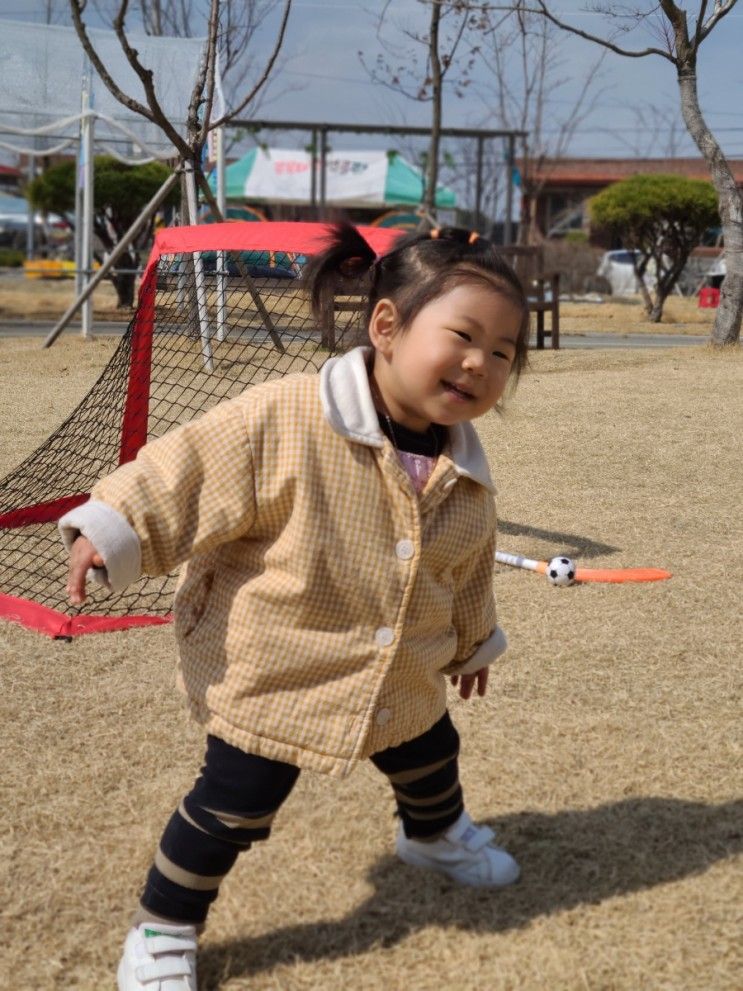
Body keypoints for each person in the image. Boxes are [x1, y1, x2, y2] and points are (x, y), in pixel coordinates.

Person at [60, 223, 531, 991]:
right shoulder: (282, 416)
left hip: (402, 670)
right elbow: (187, 466)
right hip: (272, 667)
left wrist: (472, 645)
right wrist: (115, 526)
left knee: (429, 754)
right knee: (233, 806)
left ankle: (435, 835)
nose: (482, 362)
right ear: (386, 326)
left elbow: (467, 565)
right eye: (464, 336)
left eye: (505, 350)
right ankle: (164, 924)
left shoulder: (462, 467)